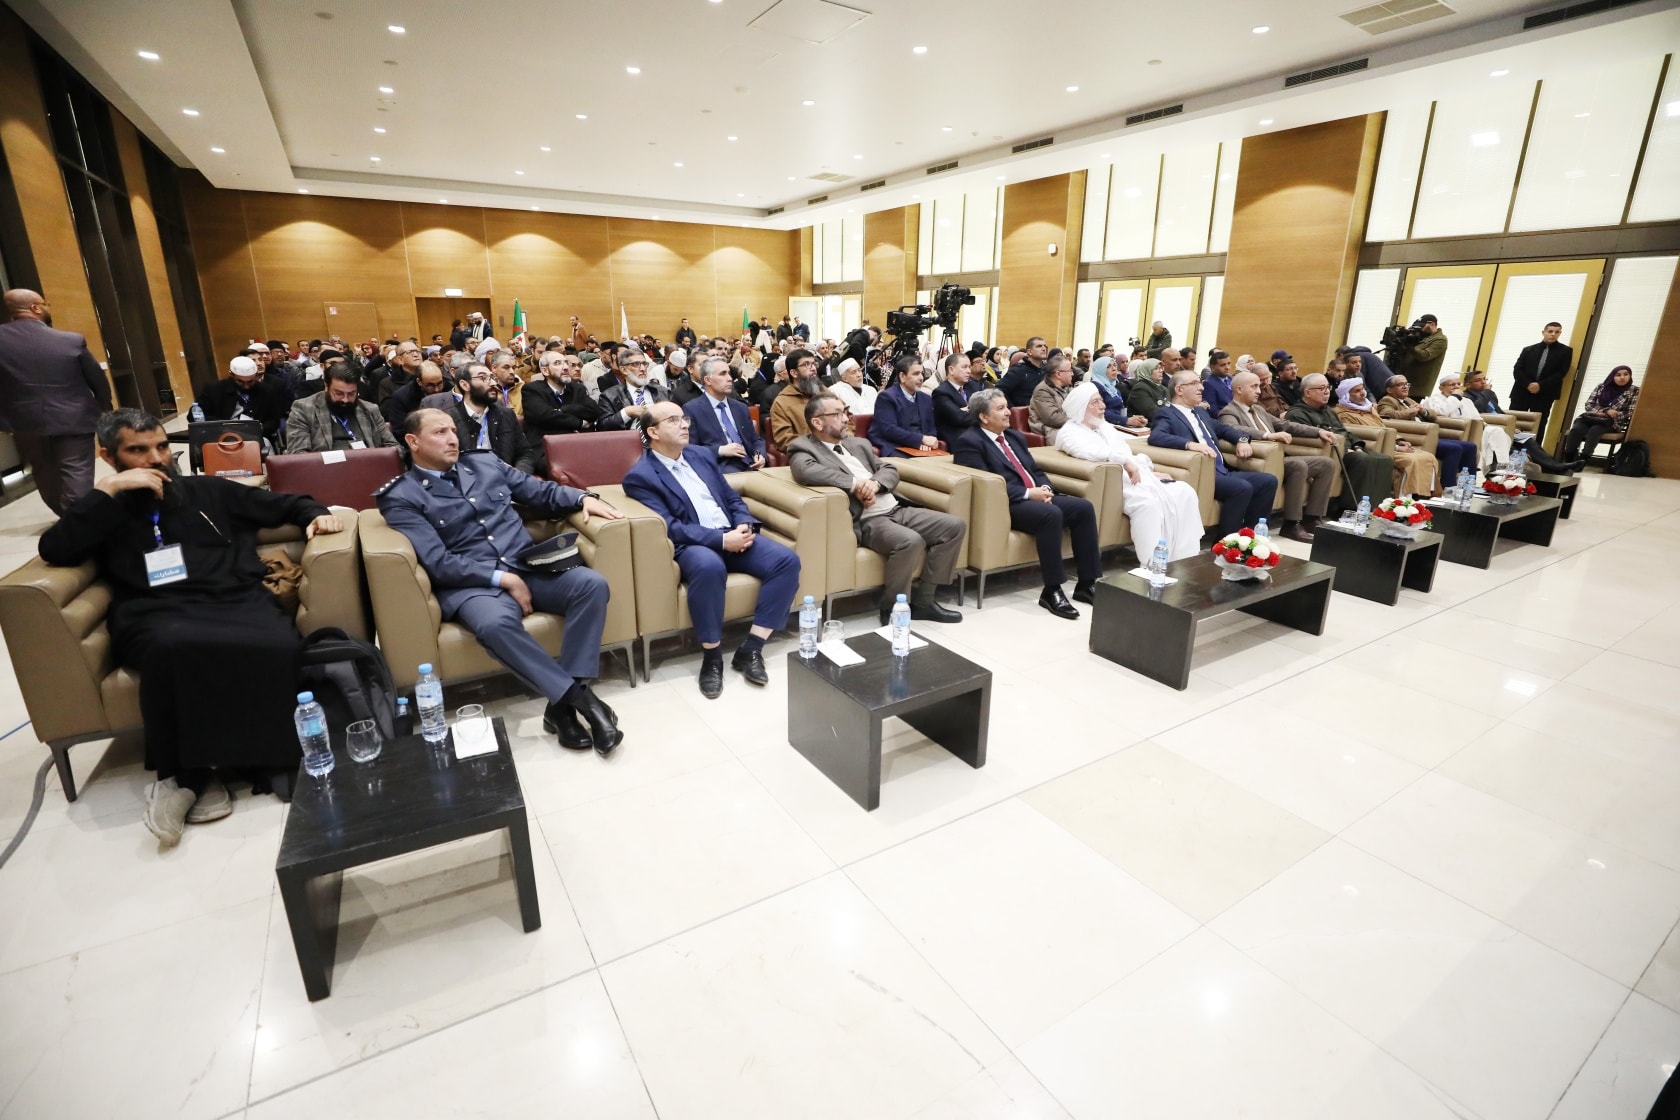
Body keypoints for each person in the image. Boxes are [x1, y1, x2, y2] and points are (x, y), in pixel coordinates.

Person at [39, 408, 344, 845]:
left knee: (278, 642)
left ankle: (260, 759)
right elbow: (55, 548)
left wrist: (315, 513)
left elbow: (288, 503)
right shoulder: (103, 510)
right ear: (109, 456)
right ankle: (185, 775)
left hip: (233, 599)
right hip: (155, 611)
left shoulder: (209, 491)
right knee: (172, 645)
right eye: (139, 451)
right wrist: (107, 492)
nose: (156, 459)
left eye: (162, 446)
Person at [379, 410, 621, 754]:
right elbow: (438, 561)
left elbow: (540, 492)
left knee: (591, 585)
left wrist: (584, 499)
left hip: (528, 565)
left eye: (453, 430)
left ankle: (561, 708)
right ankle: (584, 702)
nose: (452, 438)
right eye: (440, 432)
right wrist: (502, 578)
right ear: (413, 441)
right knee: (494, 625)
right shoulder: (401, 495)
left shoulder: (484, 464)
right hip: (473, 585)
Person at [622, 402, 801, 698]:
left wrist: (743, 524)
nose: (684, 425)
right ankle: (712, 656)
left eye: (684, 419)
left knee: (786, 561)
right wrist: (721, 540)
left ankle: (751, 649)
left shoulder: (700, 455)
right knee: (709, 567)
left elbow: (731, 498)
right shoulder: (641, 476)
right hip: (692, 544)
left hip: (732, 532)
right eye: (673, 420)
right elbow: (670, 526)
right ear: (653, 432)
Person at [789, 394, 965, 625]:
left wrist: (875, 484)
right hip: (869, 519)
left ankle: (924, 601)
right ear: (817, 422)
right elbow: (806, 472)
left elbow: (889, 469)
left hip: (895, 508)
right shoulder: (803, 448)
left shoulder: (857, 444)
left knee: (954, 526)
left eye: (845, 412)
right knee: (909, 541)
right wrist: (856, 484)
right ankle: (892, 608)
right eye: (837, 414)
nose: (846, 419)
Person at [954, 389, 1102, 620]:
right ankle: (1052, 589)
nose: (1008, 412)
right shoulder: (970, 442)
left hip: (1037, 496)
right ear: (983, 416)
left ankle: (1087, 584)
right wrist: (1027, 494)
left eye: (1007, 406)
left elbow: (1034, 470)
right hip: (1007, 504)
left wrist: (1045, 489)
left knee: (1083, 508)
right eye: (1000, 408)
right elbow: (984, 485)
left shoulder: (1013, 437)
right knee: (1051, 515)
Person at [1055, 383, 1201, 560]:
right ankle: (1152, 563)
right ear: (1081, 408)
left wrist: (1148, 473)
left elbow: (1127, 452)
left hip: (1134, 478)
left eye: (1101, 400)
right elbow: (1092, 452)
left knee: (1185, 491)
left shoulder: (1104, 426)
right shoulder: (1069, 432)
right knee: (1147, 503)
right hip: (1112, 484)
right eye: (1095, 402)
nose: (1103, 406)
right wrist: (1125, 462)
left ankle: (1185, 557)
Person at [0, 288, 112, 515]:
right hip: (74, 419)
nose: (47, 307)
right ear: (35, 307)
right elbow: (96, 380)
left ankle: (67, 517)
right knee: (77, 473)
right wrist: (105, 411)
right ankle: (77, 520)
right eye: (46, 304)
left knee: (45, 473)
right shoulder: (71, 341)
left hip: (24, 423)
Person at [1148, 372, 1277, 537]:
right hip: (1202, 473)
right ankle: (1225, 543)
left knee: (1268, 481)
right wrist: (1190, 445)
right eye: (1194, 383)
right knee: (1241, 488)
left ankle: (1251, 537)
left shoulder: (1200, 412)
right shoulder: (1167, 414)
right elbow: (1157, 436)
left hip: (1222, 470)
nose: (1201, 387)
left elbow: (1225, 429)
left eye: (1200, 382)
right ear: (1179, 390)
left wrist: (1242, 440)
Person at [1219, 371, 1335, 542]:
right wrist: (1267, 435)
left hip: (1279, 458)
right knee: (1298, 465)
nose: (1259, 391)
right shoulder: (1229, 412)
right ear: (1239, 389)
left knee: (1326, 464)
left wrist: (1318, 431)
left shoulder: (1259, 409)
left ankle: (1311, 519)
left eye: (1259, 386)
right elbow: (1235, 429)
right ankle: (1291, 524)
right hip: (1260, 462)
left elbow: (1285, 424)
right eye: (1254, 387)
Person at [429, 362, 542, 473]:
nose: (493, 383)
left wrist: (517, 474)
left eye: (492, 377)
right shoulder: (448, 420)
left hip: (504, 478)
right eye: (483, 378)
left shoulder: (505, 414)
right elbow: (440, 462)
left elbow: (525, 454)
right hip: (466, 481)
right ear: (464, 385)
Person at [1460, 371, 1579, 473]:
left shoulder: (1490, 395)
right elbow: (1477, 408)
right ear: (1468, 384)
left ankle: (1555, 467)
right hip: (1491, 429)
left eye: (1484, 379)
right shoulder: (1466, 397)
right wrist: (1487, 392)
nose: (1483, 382)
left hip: (1504, 427)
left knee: (1528, 441)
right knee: (1516, 449)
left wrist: (1513, 426)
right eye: (1478, 380)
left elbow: (1499, 412)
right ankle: (1555, 468)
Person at [1376, 374, 1476, 490]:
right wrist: (1412, 411)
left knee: (1470, 447)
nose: (1405, 387)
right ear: (1389, 390)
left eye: (1406, 384)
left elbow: (1433, 414)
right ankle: (1448, 487)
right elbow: (1388, 415)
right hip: (1414, 437)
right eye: (1400, 385)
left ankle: (1469, 485)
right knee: (1454, 448)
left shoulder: (1407, 400)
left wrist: (1423, 411)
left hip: (1427, 435)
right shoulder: (1387, 400)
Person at [1324, 379, 1414, 498]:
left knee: (1423, 457)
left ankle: (1409, 500)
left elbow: (1382, 425)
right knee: (1410, 460)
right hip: (1354, 447)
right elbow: (1354, 433)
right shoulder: (1343, 413)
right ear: (1346, 395)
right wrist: (1395, 447)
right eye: (1357, 391)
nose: (1362, 393)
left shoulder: (1368, 408)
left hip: (1375, 444)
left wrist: (1398, 440)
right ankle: (1402, 499)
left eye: (1362, 389)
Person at [284, 365, 398, 453]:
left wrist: (378, 458)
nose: (345, 400)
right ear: (326, 386)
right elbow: (298, 454)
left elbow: (395, 448)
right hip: (325, 469)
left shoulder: (370, 409)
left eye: (351, 394)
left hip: (367, 466)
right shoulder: (304, 408)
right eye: (339, 393)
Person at [684, 357, 765, 472]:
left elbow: (756, 439)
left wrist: (760, 455)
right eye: (722, 374)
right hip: (721, 467)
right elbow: (690, 449)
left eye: (729, 373)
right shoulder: (692, 409)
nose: (730, 378)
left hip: (751, 464)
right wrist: (720, 450)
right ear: (708, 380)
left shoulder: (740, 407)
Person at [1424, 373, 1511, 471]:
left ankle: (1500, 468)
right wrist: (1455, 397)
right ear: (1441, 388)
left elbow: (1477, 418)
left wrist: (1483, 426)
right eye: (1452, 385)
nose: (1456, 387)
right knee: (1491, 436)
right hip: (1454, 432)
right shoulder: (1435, 399)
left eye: (1458, 384)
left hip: (1473, 431)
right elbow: (1441, 412)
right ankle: (1486, 470)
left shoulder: (1466, 400)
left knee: (1497, 432)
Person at [199, 355, 288, 449]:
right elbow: (199, 416)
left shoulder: (267, 391)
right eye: (240, 382)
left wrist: (260, 428)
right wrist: (224, 427)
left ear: (256, 375)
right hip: (220, 437)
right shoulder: (214, 389)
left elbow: (274, 421)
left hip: (256, 438)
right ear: (231, 375)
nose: (246, 386)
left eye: (250, 382)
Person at [1563, 364, 1639, 465]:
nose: (1622, 377)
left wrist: (1612, 415)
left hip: (1612, 422)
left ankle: (1583, 460)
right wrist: (1605, 411)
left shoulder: (1634, 390)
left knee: (1595, 430)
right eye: (1618, 375)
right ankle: (1568, 460)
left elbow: (1630, 412)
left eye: (1626, 374)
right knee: (1576, 429)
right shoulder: (1602, 387)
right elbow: (1589, 405)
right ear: (1612, 376)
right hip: (1591, 418)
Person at [870, 355, 940, 457]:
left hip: (921, 447)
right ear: (902, 376)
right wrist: (921, 439)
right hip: (895, 445)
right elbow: (889, 430)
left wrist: (930, 439)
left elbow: (931, 427)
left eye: (922, 373)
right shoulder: (887, 397)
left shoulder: (925, 398)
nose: (921, 378)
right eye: (916, 374)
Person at [1510, 321, 1574, 434]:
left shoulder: (1565, 351)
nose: (1553, 334)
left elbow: (1561, 373)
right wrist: (1528, 384)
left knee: (1539, 424)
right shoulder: (1528, 349)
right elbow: (1517, 369)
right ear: (1543, 332)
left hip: (1545, 393)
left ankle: (1534, 446)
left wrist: (1540, 385)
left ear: (1560, 334)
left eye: (1557, 332)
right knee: (1515, 421)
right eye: (1550, 331)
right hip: (1522, 391)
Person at [597, 348, 670, 431]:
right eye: (636, 364)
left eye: (644, 364)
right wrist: (626, 413)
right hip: (627, 438)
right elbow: (602, 427)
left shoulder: (663, 392)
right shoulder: (609, 396)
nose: (643, 369)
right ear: (624, 370)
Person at [767, 349, 826, 451]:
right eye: (806, 364)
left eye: (813, 364)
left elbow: (846, 418)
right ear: (794, 373)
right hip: (808, 453)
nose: (813, 368)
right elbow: (784, 439)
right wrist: (818, 446)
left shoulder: (823, 391)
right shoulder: (782, 403)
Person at [932, 351, 982, 448]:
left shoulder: (974, 387)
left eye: (969, 367)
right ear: (951, 370)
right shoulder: (941, 393)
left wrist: (967, 410)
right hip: (958, 438)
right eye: (964, 367)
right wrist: (982, 415)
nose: (969, 371)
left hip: (977, 432)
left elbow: (986, 408)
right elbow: (960, 418)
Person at [1028, 353, 1076, 437]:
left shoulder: (1067, 388)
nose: (1072, 374)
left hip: (1067, 426)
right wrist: (1079, 421)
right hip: (1050, 430)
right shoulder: (1042, 391)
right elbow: (1053, 419)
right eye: (1070, 370)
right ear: (1058, 374)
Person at [997, 337, 1049, 408]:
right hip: (1024, 412)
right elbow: (999, 389)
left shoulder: (1047, 370)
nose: (1044, 349)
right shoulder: (1019, 370)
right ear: (1029, 352)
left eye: (1045, 346)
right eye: (1039, 346)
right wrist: (1013, 409)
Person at [1406, 314, 1448, 397]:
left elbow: (1424, 356)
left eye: (1422, 326)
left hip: (1417, 388)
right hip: (1405, 381)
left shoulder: (1440, 340)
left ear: (1432, 324)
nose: (1421, 329)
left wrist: (1410, 346)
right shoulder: (1422, 336)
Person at [1200, 349, 1237, 414]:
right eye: (1223, 365)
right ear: (1212, 367)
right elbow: (1213, 410)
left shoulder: (1232, 379)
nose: (1227, 367)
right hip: (1224, 417)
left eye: (1229, 363)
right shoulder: (1209, 384)